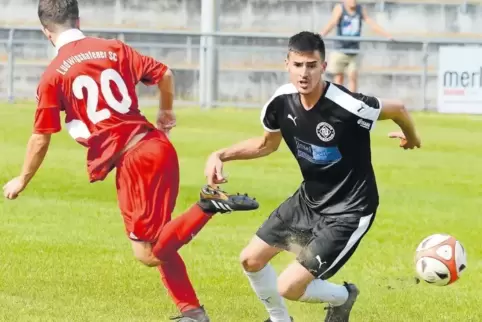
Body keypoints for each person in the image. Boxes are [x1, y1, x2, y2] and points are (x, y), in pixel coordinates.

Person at [2, 1, 259, 321]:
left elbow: (41, 138)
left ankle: (207, 204)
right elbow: (165, 74)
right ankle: (191, 312)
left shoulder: (53, 75)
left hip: (135, 162)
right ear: (78, 19)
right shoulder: (113, 48)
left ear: (45, 31)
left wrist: (21, 179)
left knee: (148, 253)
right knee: (162, 240)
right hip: (157, 147)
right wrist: (166, 111)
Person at [204, 31, 421, 322]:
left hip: (349, 211)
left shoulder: (349, 106)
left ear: (323, 66)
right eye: (297, 65)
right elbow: (266, 144)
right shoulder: (281, 102)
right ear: (287, 64)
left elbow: (398, 108)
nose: (303, 73)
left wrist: (411, 137)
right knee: (250, 260)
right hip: (309, 201)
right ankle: (280, 320)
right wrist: (220, 154)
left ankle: (344, 296)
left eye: (311, 65)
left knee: (288, 286)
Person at [320, 0, 393, 92]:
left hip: (354, 51)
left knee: (353, 77)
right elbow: (332, 23)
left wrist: (387, 35)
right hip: (340, 49)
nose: (353, 1)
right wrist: (321, 35)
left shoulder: (360, 9)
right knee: (338, 78)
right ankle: (337, 102)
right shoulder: (340, 8)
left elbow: (371, 23)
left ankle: (352, 102)